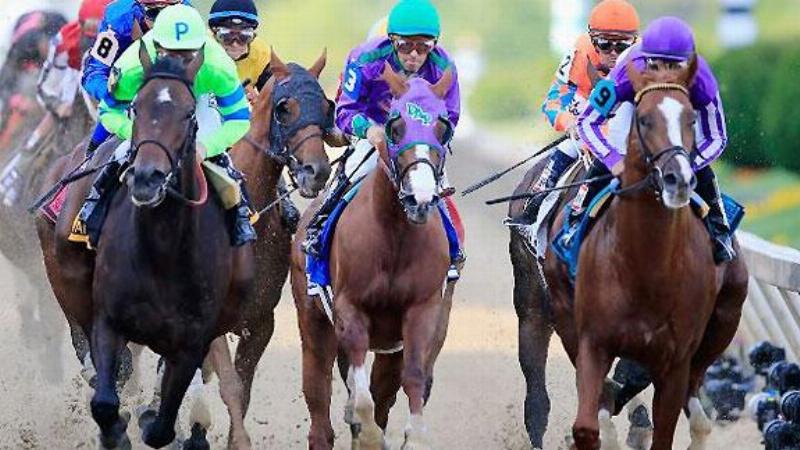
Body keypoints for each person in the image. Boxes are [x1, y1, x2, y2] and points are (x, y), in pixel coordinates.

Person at [69, 4, 256, 249]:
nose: (179, 63)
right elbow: (108, 110)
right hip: (148, 93)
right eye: (170, 55)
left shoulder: (217, 66)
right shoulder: (133, 65)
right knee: (120, 150)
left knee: (220, 155)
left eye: (187, 56)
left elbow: (239, 119)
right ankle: (92, 207)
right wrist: (136, 135)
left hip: (198, 97)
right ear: (155, 47)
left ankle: (240, 213)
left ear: (201, 50)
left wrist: (206, 147)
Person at [303, 0, 463, 277]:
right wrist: (369, 130)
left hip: (417, 138)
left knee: (435, 183)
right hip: (373, 129)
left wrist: (429, 135)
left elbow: (451, 114)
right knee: (354, 171)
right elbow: (345, 110)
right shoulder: (364, 58)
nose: (414, 54)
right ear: (391, 41)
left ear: (433, 45)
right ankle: (318, 230)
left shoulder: (444, 66)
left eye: (423, 47)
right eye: (405, 46)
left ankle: (452, 248)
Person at [576, 16, 734, 263]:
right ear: (644, 59)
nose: (664, 74)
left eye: (674, 66)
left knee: (700, 171)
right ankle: (576, 223)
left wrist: (686, 164)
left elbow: (716, 136)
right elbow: (587, 122)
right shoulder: (625, 72)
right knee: (609, 158)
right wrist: (614, 160)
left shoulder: (702, 81)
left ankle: (720, 229)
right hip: (635, 111)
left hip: (679, 125)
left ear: (689, 64)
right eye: (656, 64)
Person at [506, 0, 639, 226]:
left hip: (627, 121)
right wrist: (569, 123)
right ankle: (536, 201)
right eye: (605, 44)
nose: (614, 53)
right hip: (587, 112)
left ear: (634, 42)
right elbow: (553, 102)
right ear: (592, 40)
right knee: (567, 146)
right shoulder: (580, 52)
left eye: (623, 46)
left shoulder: (644, 59)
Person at [0, 0, 111, 206]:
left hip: (102, 83)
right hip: (71, 78)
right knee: (50, 121)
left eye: (97, 34)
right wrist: (57, 105)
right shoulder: (63, 41)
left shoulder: (122, 37)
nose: (92, 40)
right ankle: (12, 178)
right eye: (88, 33)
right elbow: (44, 87)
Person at [207, 0, 300, 233]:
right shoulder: (203, 50)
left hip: (240, 118)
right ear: (214, 33)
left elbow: (274, 95)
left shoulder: (261, 52)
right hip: (205, 112)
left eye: (244, 37)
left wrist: (260, 102)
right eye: (228, 37)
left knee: (270, 126)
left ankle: (282, 193)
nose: (237, 44)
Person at [81, 0, 189, 156]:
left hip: (173, 88)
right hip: (127, 86)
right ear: (140, 9)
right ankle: (91, 156)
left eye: (168, 13)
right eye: (154, 13)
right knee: (97, 152)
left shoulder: (188, 15)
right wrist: (113, 94)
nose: (163, 23)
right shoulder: (118, 19)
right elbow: (94, 72)